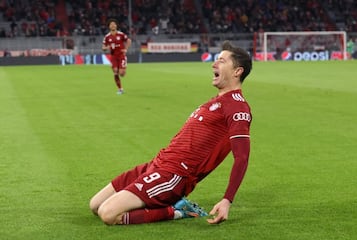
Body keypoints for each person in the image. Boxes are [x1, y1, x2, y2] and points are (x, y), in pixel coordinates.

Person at [90, 40, 253, 225]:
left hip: (174, 175)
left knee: (108, 214)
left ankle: (176, 211)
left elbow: (242, 157)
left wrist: (227, 200)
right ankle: (153, 203)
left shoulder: (238, 108)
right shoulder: (215, 102)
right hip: (157, 164)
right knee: (95, 205)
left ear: (237, 71)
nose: (214, 64)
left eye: (222, 61)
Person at [102, 19, 132, 94]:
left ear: (116, 25)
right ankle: (120, 89)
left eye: (114, 24)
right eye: (111, 24)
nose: (112, 25)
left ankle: (122, 69)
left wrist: (126, 49)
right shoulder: (107, 37)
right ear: (109, 26)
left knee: (122, 73)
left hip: (121, 55)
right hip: (113, 57)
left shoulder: (121, 34)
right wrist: (107, 47)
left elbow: (129, 41)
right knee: (115, 72)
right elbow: (103, 47)